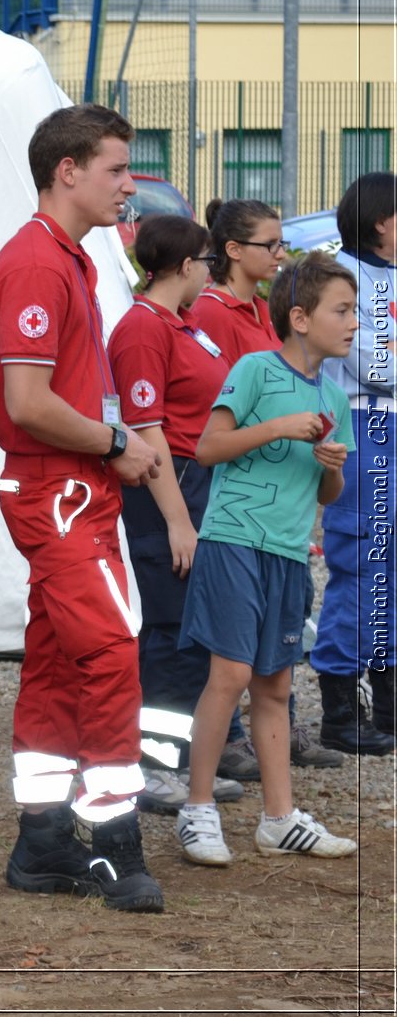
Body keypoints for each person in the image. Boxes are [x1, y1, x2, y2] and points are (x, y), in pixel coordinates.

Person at [0, 102, 164, 914]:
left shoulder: (66, 258)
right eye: (118, 169)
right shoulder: (41, 265)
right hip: (60, 488)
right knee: (114, 650)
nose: (130, 186)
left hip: (66, 487)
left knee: (57, 660)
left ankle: (44, 838)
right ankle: (114, 843)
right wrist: (117, 439)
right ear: (69, 172)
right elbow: (27, 400)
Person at [174, 252, 362, 865]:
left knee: (276, 686)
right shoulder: (255, 369)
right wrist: (280, 427)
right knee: (228, 677)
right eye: (343, 310)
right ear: (301, 318)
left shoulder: (335, 399)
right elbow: (207, 448)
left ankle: (279, 819)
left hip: (286, 553)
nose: (355, 322)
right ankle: (197, 809)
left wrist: (330, 469)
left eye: (356, 310)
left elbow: (326, 495)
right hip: (233, 541)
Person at [107, 217, 294, 816]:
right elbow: (146, 429)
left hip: (196, 485)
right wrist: (176, 521)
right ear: (185, 266)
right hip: (172, 488)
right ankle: (155, 766)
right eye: (205, 263)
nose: (208, 273)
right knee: (170, 632)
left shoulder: (179, 324)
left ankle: (179, 755)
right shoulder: (142, 328)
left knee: (191, 630)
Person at [311, 171, 397, 756]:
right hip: (364, 428)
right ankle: (341, 710)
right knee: (361, 566)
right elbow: (377, 366)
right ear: (380, 223)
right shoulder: (348, 279)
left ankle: (386, 701)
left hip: (388, 427)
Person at [189, 199, 286, 364]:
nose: (281, 253)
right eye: (270, 244)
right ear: (234, 250)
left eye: (281, 243)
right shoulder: (211, 312)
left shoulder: (262, 307)